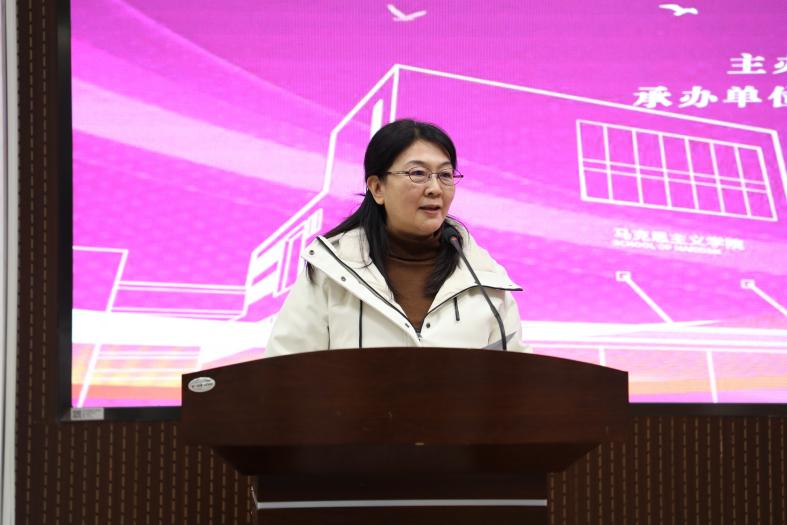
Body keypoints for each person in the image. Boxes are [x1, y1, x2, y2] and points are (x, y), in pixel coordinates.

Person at [265, 119, 526, 356]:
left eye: (445, 175)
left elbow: (517, 378)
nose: (435, 189)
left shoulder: (484, 275)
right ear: (377, 188)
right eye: (418, 174)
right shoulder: (332, 271)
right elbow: (285, 371)